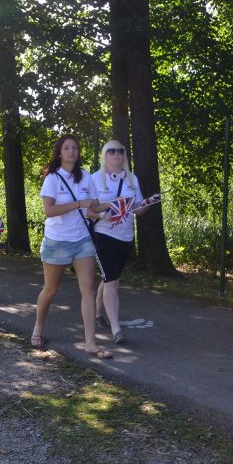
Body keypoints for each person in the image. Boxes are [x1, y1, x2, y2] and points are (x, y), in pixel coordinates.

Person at [33, 134, 111, 359]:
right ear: (60, 153)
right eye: (67, 148)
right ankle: (38, 325)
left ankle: (90, 342)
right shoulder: (53, 178)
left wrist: (115, 206)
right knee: (51, 290)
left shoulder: (86, 177)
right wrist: (78, 203)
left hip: (82, 240)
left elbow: (91, 210)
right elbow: (49, 211)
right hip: (57, 240)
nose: (71, 151)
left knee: (88, 289)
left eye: (75, 148)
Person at [92, 140, 152, 344]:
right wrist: (103, 217)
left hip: (125, 236)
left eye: (120, 151)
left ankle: (97, 312)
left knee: (111, 277)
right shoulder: (94, 180)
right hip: (103, 235)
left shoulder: (132, 178)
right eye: (112, 151)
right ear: (104, 155)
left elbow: (138, 208)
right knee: (112, 282)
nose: (116, 154)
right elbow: (88, 210)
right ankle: (116, 329)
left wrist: (147, 204)